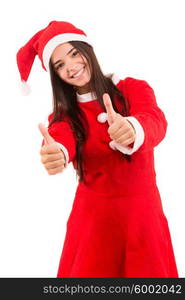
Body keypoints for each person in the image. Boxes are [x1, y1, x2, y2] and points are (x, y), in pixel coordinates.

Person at [16, 20, 179, 278]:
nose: (71, 67)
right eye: (59, 65)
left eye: (73, 53)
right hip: (93, 225)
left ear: (87, 50)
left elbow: (155, 119)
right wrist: (57, 152)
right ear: (56, 75)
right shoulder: (64, 117)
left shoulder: (132, 89)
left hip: (143, 219)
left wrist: (133, 128)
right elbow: (59, 138)